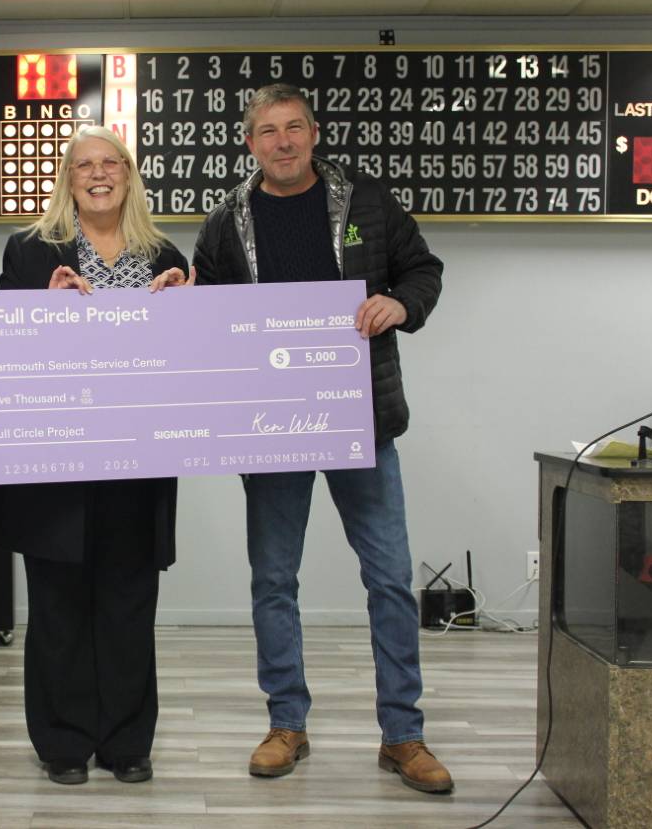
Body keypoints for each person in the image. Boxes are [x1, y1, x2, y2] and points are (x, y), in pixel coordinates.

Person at [192, 83, 450, 793]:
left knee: (389, 577)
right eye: (268, 131)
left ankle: (403, 735)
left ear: (313, 133)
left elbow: (423, 270)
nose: (282, 142)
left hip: (360, 419)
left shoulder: (367, 201)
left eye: (294, 127)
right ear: (250, 143)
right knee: (274, 580)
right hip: (270, 425)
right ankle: (286, 723)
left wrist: (400, 303)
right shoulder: (225, 222)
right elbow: (207, 315)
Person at [0, 126, 191, 786]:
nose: (98, 174)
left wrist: (190, 310)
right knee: (58, 605)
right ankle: (64, 743)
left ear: (128, 174)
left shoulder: (164, 254)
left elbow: (188, 359)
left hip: (137, 460)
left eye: (110, 163)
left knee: (129, 602)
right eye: (84, 166)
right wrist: (41, 309)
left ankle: (127, 742)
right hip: (55, 460)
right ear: (67, 180)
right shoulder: (28, 251)